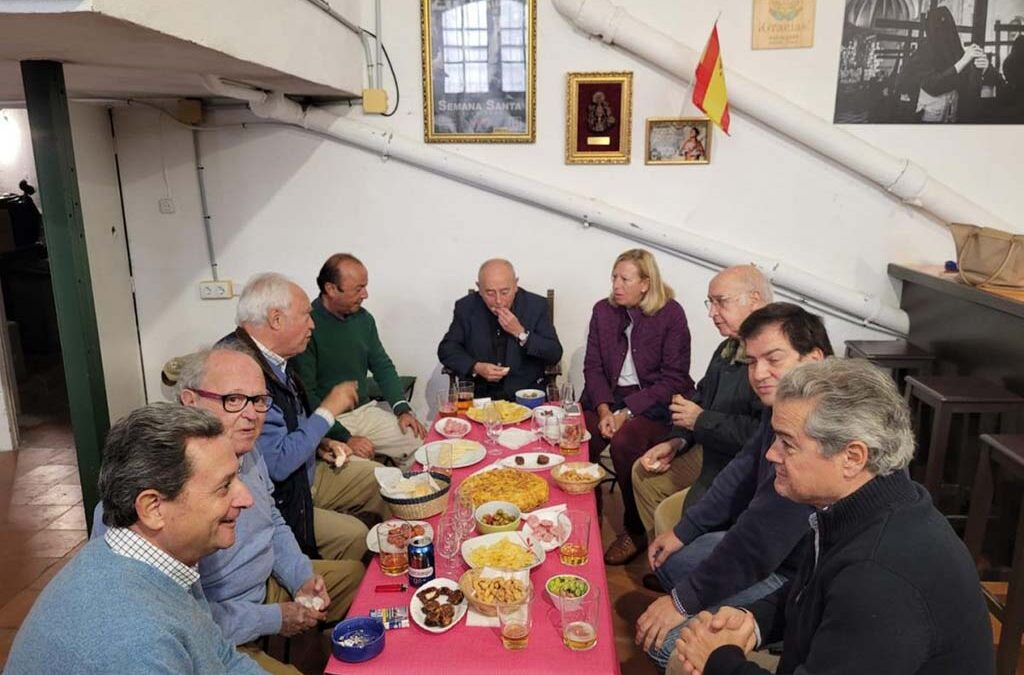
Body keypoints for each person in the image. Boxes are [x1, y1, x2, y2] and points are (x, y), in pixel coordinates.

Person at [673, 358, 994, 675]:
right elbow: (815, 592)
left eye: (787, 443)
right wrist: (752, 620)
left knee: (682, 660)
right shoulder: (871, 505)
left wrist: (720, 660)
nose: (772, 454)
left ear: (852, 458)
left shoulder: (877, 575)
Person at [636, 303, 833, 672]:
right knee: (672, 558)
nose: (759, 374)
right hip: (781, 559)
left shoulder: (821, 433)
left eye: (773, 358)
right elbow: (741, 472)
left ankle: (767, 639)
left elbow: (758, 536)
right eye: (752, 361)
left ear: (815, 359)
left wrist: (681, 603)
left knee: (668, 647)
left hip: (801, 580)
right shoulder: (783, 406)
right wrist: (684, 531)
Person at [6, 404, 262, 674]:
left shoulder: (161, 562)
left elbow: (219, 656)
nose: (246, 498)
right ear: (153, 508)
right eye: (224, 486)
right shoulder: (137, 644)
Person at [179, 348, 363, 672]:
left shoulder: (245, 450)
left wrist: (301, 578)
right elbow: (190, 621)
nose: (252, 414)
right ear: (190, 401)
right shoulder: (169, 485)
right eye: (234, 400)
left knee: (360, 581)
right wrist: (274, 619)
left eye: (260, 400)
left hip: (264, 587)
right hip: (220, 628)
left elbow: (272, 523)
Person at [224, 272, 389, 563]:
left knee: (384, 478)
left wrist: (319, 441)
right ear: (276, 319)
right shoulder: (240, 370)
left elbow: (286, 426)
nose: (312, 324)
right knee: (354, 535)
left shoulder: (275, 358)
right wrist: (328, 410)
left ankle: (390, 556)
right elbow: (277, 464)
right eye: (305, 316)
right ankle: (347, 588)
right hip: (283, 497)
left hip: (307, 471)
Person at [632, 265, 770, 557]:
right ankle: (662, 558)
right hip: (711, 452)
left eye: (721, 301)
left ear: (755, 300)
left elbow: (761, 435)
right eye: (710, 303)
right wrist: (676, 441)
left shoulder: (770, 360)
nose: (712, 312)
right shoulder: (727, 349)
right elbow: (701, 397)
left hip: (740, 469)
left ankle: (682, 568)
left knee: (693, 513)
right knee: (644, 474)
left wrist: (700, 420)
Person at [582, 248, 695, 565]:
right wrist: (604, 410)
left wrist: (626, 412)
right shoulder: (603, 311)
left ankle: (634, 530)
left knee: (624, 442)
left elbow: (674, 378)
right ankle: (586, 517)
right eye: (614, 277)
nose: (616, 285)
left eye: (625, 279)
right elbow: (593, 368)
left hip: (653, 402)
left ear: (645, 283)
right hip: (609, 396)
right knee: (579, 434)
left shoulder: (671, 314)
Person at [293, 253, 427, 469]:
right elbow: (306, 396)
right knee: (363, 470)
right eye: (358, 288)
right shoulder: (307, 326)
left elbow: (382, 365)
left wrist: (402, 408)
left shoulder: (364, 319)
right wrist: (345, 437)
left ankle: (417, 498)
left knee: (423, 443)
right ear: (331, 289)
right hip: (329, 419)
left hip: (365, 411)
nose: (365, 294)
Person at [438, 258, 563, 400]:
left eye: (504, 292)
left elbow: (554, 353)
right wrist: (476, 367)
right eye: (490, 293)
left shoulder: (536, 306)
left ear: (515, 285)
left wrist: (520, 333)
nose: (498, 300)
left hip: (525, 395)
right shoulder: (466, 308)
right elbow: (446, 349)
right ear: (479, 288)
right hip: (480, 398)